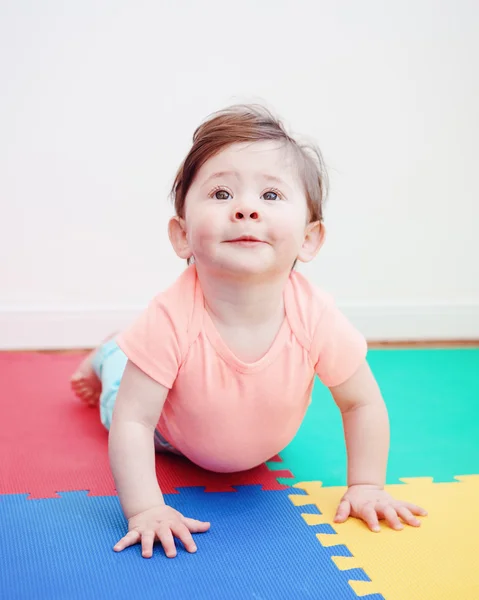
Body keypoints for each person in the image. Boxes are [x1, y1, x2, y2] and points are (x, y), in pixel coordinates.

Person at [71, 104, 427, 559]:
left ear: (310, 239)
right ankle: (110, 354)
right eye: (221, 194)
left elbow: (361, 401)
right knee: (117, 398)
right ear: (182, 235)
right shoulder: (170, 316)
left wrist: (367, 485)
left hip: (251, 446)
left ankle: (122, 345)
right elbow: (135, 421)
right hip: (169, 435)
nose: (245, 209)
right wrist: (145, 510)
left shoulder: (315, 315)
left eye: (271, 196)